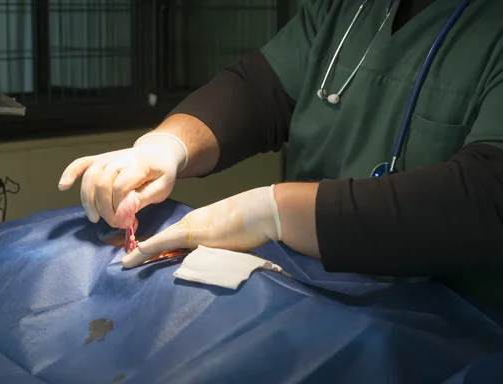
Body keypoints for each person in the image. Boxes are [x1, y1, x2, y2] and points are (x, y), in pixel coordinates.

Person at [59, 0, 503, 305]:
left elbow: (488, 196)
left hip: (453, 328)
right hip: (309, 294)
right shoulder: (349, 9)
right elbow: (260, 90)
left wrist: (275, 211)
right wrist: (167, 145)